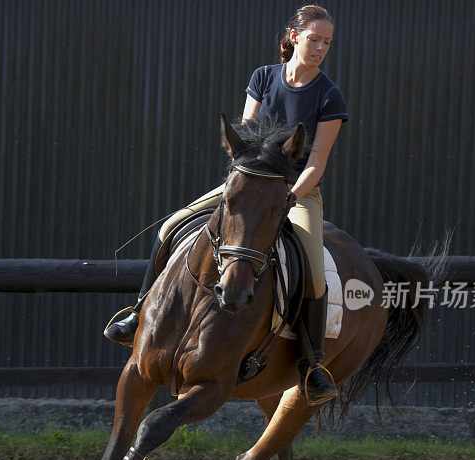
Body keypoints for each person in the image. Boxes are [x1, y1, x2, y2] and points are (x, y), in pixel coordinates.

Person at [104, 5, 347, 405]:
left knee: (315, 273)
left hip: (297, 191)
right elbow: (245, 138)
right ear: (293, 36)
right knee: (171, 227)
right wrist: (248, 187)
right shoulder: (263, 77)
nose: (320, 48)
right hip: (249, 186)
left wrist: (287, 198)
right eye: (314, 39)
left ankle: (311, 364)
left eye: (327, 42)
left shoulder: (329, 94)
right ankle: (137, 312)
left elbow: (316, 162)